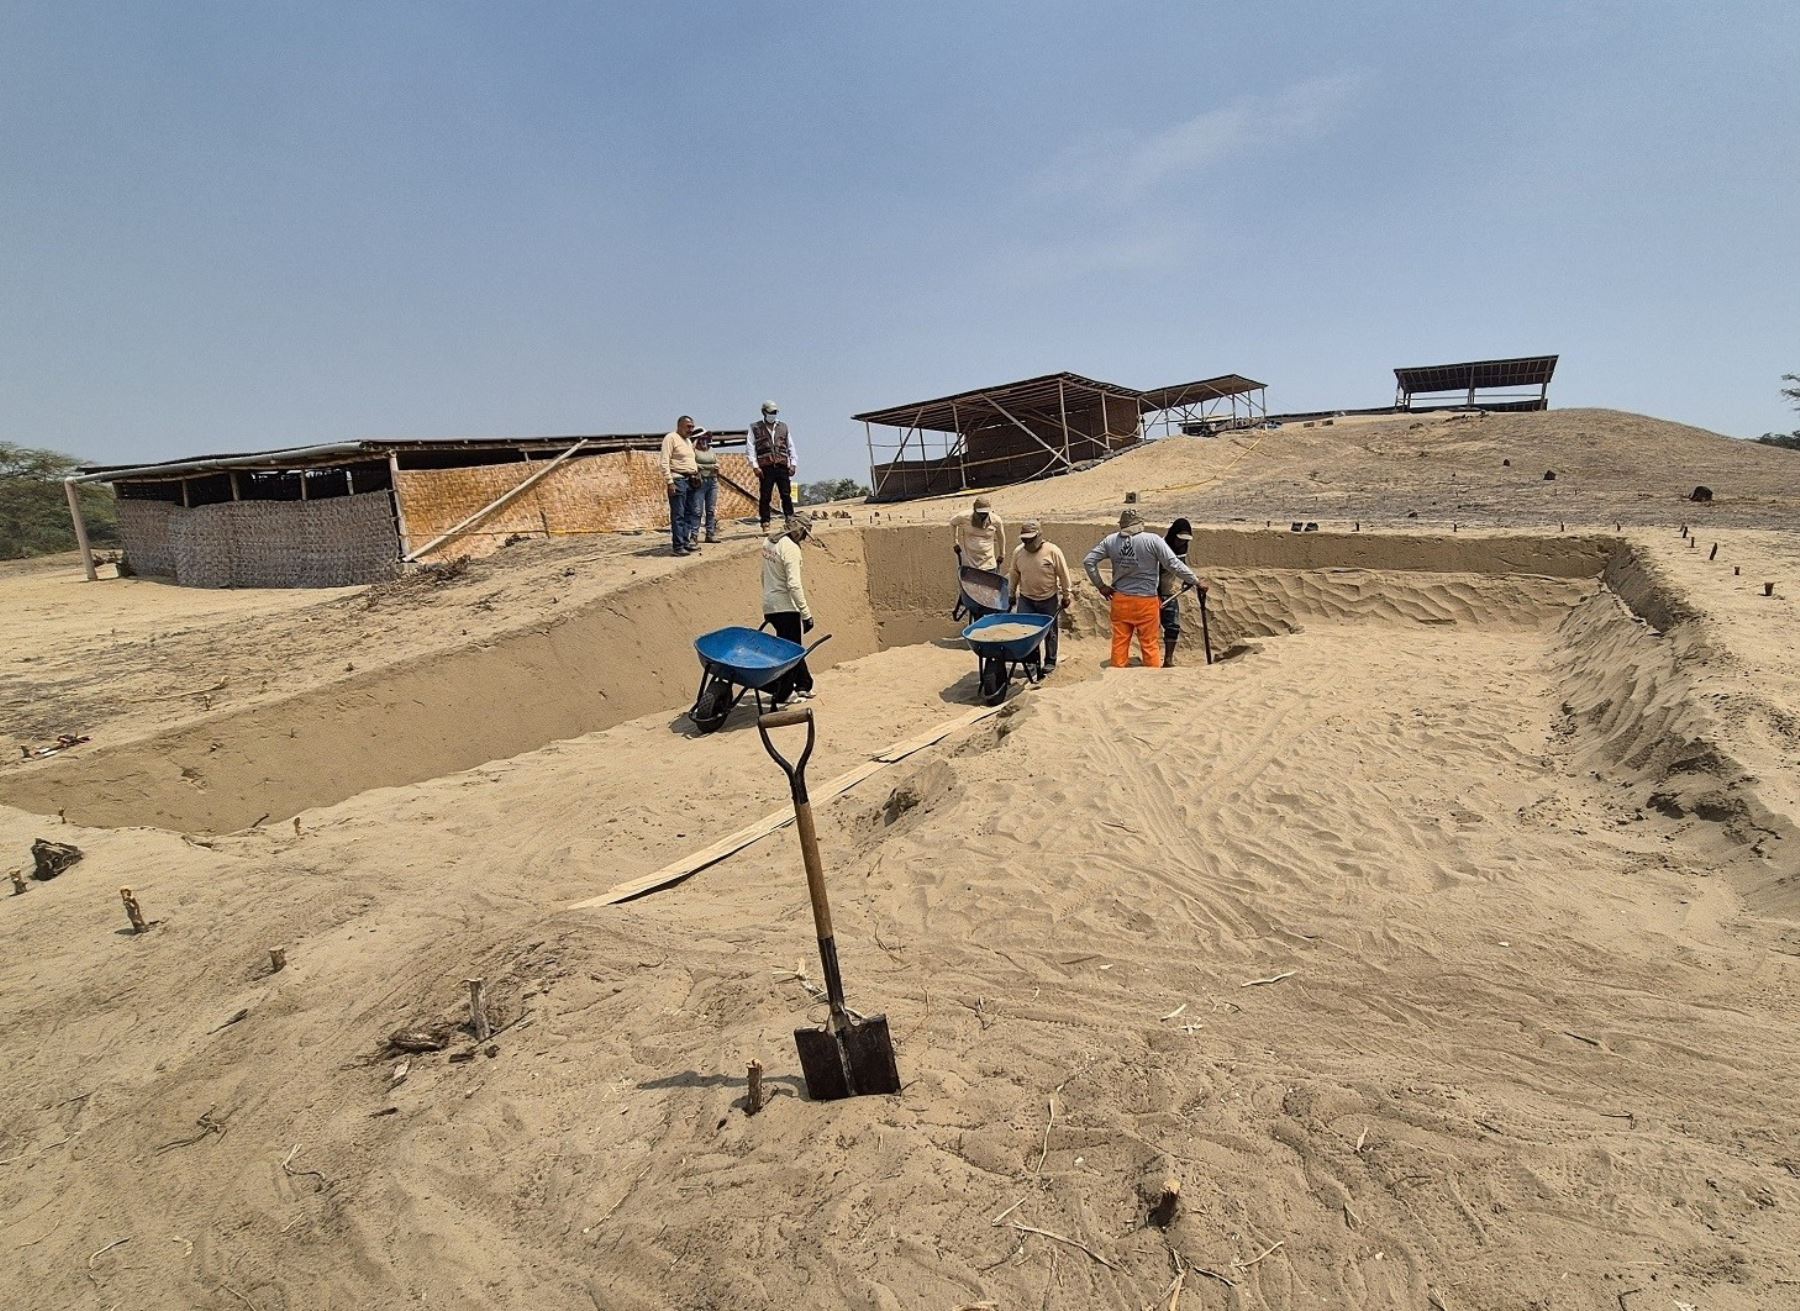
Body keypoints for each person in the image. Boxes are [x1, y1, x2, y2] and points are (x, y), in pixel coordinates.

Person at [1083, 509, 1201, 668]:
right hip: (1146, 601)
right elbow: (1173, 564)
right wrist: (1194, 580)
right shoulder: (1153, 540)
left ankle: (1117, 673)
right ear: (1140, 523)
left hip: (1121, 600)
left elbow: (1089, 561)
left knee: (1120, 642)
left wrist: (1101, 586)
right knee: (1149, 643)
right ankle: (1151, 677)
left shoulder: (1111, 541)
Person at [760, 515, 815, 706]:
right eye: (804, 534)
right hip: (786, 607)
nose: (804, 539)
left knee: (793, 645)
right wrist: (806, 613)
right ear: (798, 531)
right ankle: (784, 693)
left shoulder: (768, 542)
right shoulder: (790, 549)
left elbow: (763, 575)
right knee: (791, 652)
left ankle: (804, 684)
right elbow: (793, 584)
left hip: (770, 604)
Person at [1008, 520, 1072, 675]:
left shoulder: (1052, 551)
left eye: (1030, 539)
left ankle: (1050, 661)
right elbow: (1014, 573)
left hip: (1047, 598)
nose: (1027, 543)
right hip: (1026, 599)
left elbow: (1063, 574)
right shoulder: (1019, 552)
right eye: (1024, 539)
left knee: (1050, 631)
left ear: (1039, 536)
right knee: (1026, 632)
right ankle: (1030, 661)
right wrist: (1011, 593)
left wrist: (1066, 594)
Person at [660, 416, 706, 555]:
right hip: (678, 479)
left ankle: (686, 542)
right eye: (688, 427)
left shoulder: (687, 441)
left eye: (692, 427)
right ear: (680, 426)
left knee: (689, 513)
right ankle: (678, 546)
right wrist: (670, 481)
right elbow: (664, 461)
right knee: (678, 514)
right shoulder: (671, 438)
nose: (691, 429)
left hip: (690, 480)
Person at [752, 401, 797, 531]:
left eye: (775, 412)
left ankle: (790, 518)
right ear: (764, 412)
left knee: (786, 494)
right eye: (770, 412)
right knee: (765, 495)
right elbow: (750, 448)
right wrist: (755, 466)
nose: (773, 414)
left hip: (782, 465)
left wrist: (793, 464)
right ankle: (765, 522)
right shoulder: (755, 428)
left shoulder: (783, 427)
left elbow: (790, 446)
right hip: (766, 466)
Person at [1158, 517, 1195, 666]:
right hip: (1152, 592)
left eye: (1185, 540)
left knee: (1172, 626)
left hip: (1169, 591)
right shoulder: (1161, 546)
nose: (1182, 542)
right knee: (1150, 628)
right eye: (1179, 539)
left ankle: (1168, 660)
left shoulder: (1182, 547)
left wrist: (1187, 578)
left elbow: (1181, 565)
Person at [950, 496, 1006, 572]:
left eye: (985, 513)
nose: (982, 516)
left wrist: (1002, 554)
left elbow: (1001, 537)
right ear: (975, 510)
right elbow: (952, 523)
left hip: (988, 562)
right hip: (970, 563)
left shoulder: (996, 520)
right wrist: (955, 542)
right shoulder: (964, 517)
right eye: (980, 513)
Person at [692, 428, 721, 543]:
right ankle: (694, 535)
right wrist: (709, 467)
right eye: (701, 438)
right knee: (697, 510)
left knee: (711, 510)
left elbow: (716, 463)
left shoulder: (711, 450)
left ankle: (710, 533)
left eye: (705, 438)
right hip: (699, 482)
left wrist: (716, 467)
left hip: (712, 481)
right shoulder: (693, 451)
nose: (704, 441)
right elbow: (694, 465)